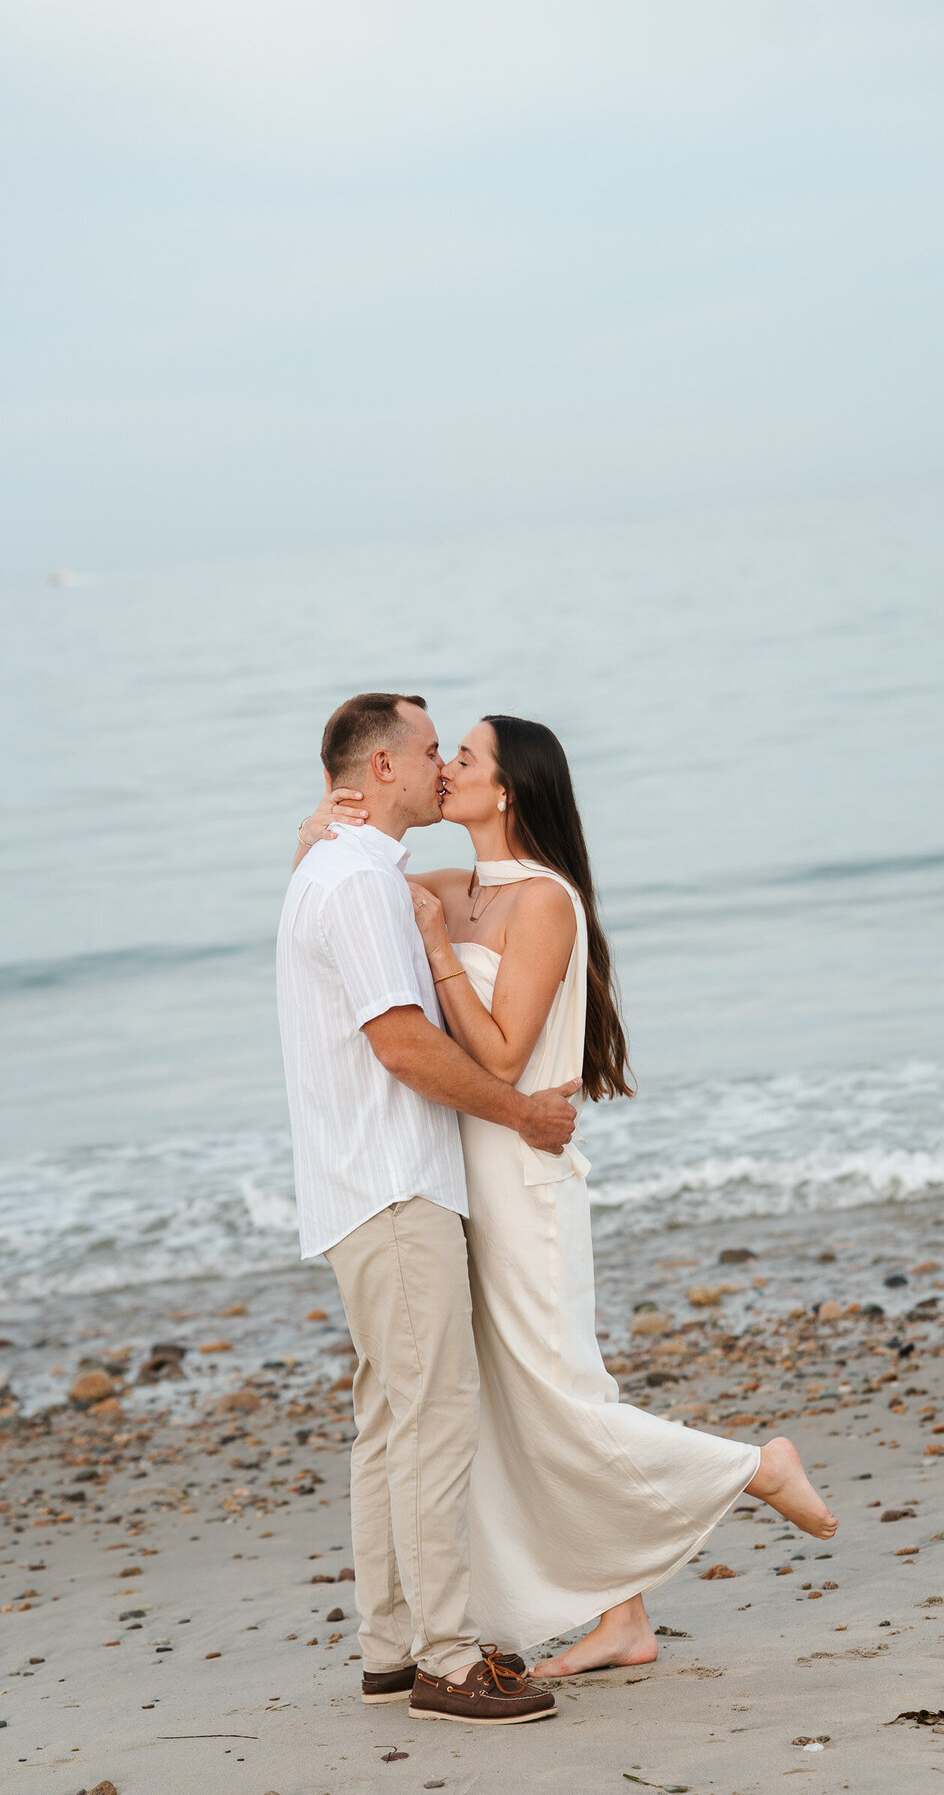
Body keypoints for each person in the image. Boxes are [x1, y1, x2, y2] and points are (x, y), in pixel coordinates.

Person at [297, 710, 838, 1678]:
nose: (446, 768)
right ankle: (621, 1617)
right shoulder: (450, 886)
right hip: (461, 1174)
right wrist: (317, 832)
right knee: (525, 1408)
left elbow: (503, 1055)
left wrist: (438, 950)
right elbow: (354, 887)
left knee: (562, 1396)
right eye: (441, 753)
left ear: (507, 790)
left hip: (523, 1176)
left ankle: (755, 1467)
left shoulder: (544, 900)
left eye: (465, 757)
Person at [277, 691, 583, 1725]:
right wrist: (523, 1114)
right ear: (382, 769)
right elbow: (404, 1045)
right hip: (394, 1186)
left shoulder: (341, 869)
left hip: (360, 1186)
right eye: (427, 749)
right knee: (434, 1417)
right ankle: (447, 1662)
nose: (439, 766)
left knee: (389, 1419)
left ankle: (392, 1647)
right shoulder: (359, 881)